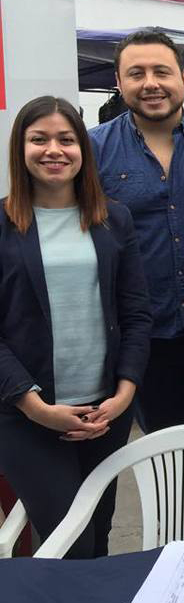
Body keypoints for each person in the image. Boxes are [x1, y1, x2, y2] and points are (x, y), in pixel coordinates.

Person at [0, 96, 151, 558]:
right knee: (69, 543)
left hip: (104, 411)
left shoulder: (112, 218)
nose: (54, 150)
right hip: (28, 416)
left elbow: (136, 312)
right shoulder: (2, 223)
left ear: (83, 149)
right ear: (20, 149)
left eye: (67, 139)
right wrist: (36, 406)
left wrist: (124, 394)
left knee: (99, 534)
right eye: (39, 139)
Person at [90, 29, 184, 433]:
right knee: (167, 462)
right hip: (146, 339)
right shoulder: (93, 152)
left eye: (161, 71)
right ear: (120, 84)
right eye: (136, 74)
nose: (151, 83)